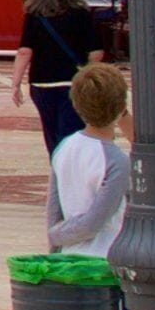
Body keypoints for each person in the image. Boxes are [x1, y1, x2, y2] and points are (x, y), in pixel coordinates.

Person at [12, 0, 108, 151]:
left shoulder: (34, 16)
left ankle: (57, 163)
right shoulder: (81, 14)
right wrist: (88, 73)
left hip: (41, 82)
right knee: (73, 130)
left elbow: (24, 52)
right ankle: (72, 164)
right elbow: (96, 52)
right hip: (73, 81)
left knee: (51, 131)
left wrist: (16, 83)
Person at [46, 61, 132, 254]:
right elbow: (94, 222)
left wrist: (55, 238)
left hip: (69, 255)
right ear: (121, 108)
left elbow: (54, 209)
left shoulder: (64, 147)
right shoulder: (117, 161)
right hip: (104, 257)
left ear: (76, 104)